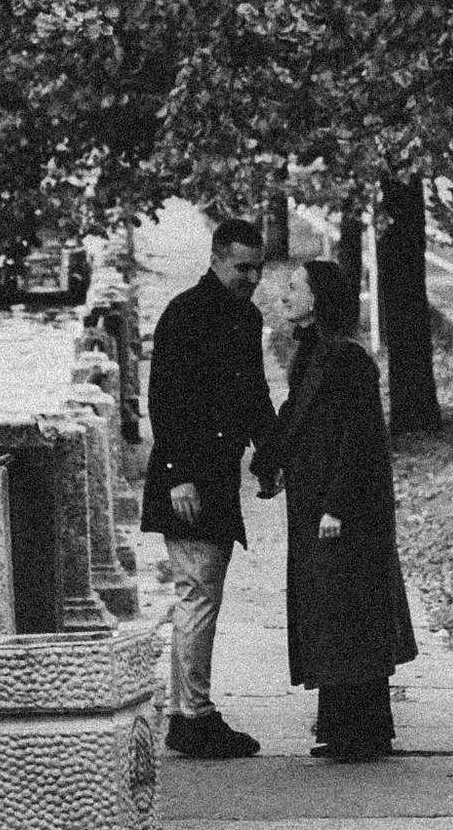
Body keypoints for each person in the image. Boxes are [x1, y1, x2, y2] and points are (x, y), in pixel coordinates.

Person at [269, 257, 416, 766]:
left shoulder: (347, 358)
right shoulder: (314, 353)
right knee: (334, 615)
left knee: (349, 615)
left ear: (318, 300)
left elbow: (361, 438)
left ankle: (362, 732)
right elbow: (298, 418)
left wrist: (336, 505)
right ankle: (344, 728)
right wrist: (272, 462)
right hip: (318, 502)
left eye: (294, 287)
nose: (284, 294)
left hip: (344, 510)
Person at [141, 217, 278, 760]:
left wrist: (268, 455)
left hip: (214, 475)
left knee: (200, 594)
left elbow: (253, 392)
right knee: (197, 594)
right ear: (217, 259)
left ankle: (188, 711)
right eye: (243, 267)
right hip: (189, 478)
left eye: (258, 269)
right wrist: (177, 474)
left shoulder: (244, 317)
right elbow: (164, 397)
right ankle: (192, 715)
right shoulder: (185, 313)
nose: (252, 278)